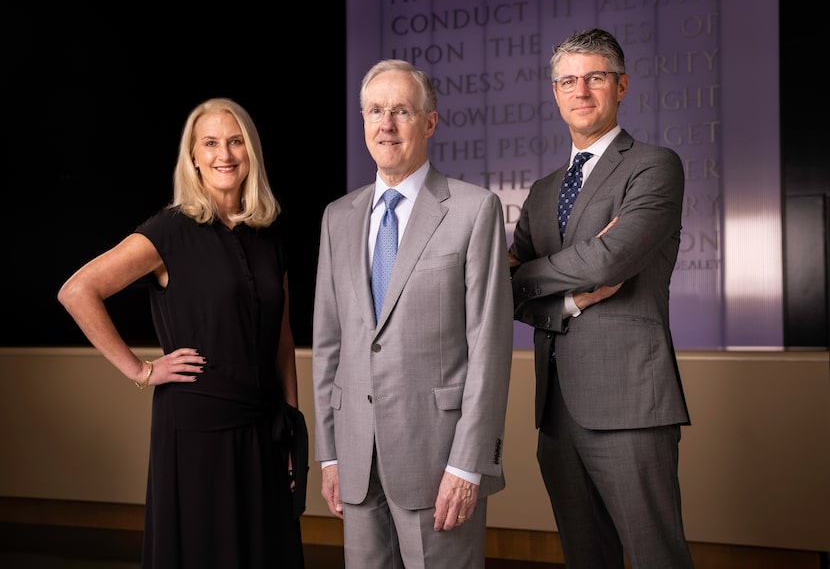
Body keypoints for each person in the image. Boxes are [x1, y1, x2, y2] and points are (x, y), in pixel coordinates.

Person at [57, 97, 306, 569]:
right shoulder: (168, 230)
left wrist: (292, 428)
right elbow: (78, 291)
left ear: (251, 151)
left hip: (264, 427)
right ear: (192, 157)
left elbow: (283, 340)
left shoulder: (269, 233)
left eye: (235, 142)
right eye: (210, 143)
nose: (224, 154)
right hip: (196, 429)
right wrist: (142, 370)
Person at [312, 58, 514, 568]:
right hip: (357, 460)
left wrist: (468, 466)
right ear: (362, 121)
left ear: (429, 121)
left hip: (438, 461)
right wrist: (330, 453)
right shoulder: (338, 217)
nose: (386, 124)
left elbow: (489, 347)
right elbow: (329, 343)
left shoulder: (474, 209)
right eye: (375, 111)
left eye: (401, 110)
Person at [509, 28, 695, 568]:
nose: (581, 90)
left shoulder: (654, 166)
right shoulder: (544, 190)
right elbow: (507, 289)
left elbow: (610, 261)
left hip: (631, 404)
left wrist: (543, 271)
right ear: (555, 93)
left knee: (655, 555)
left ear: (621, 86)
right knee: (584, 558)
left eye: (595, 77)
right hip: (557, 410)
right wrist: (572, 301)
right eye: (568, 80)